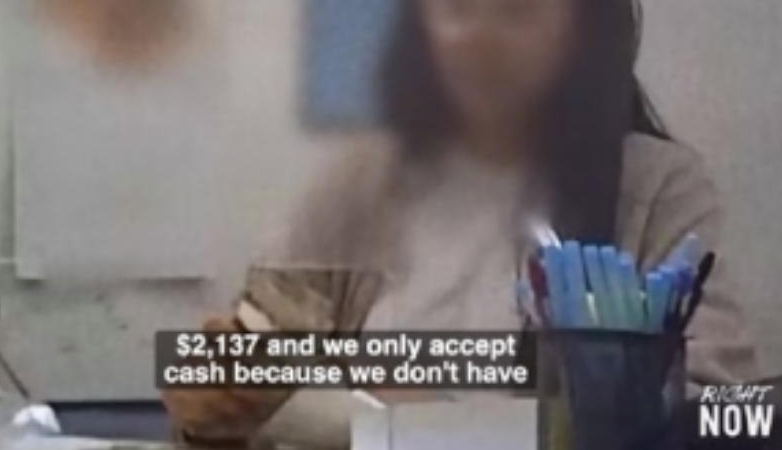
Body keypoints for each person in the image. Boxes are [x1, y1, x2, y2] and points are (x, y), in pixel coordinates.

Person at [163, 0, 759, 446]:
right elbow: (253, 367)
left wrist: (427, 418)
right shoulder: (353, 184)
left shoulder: (658, 187)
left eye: (517, 10)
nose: (480, 37)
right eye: (456, 8)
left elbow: (723, 415)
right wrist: (212, 412)